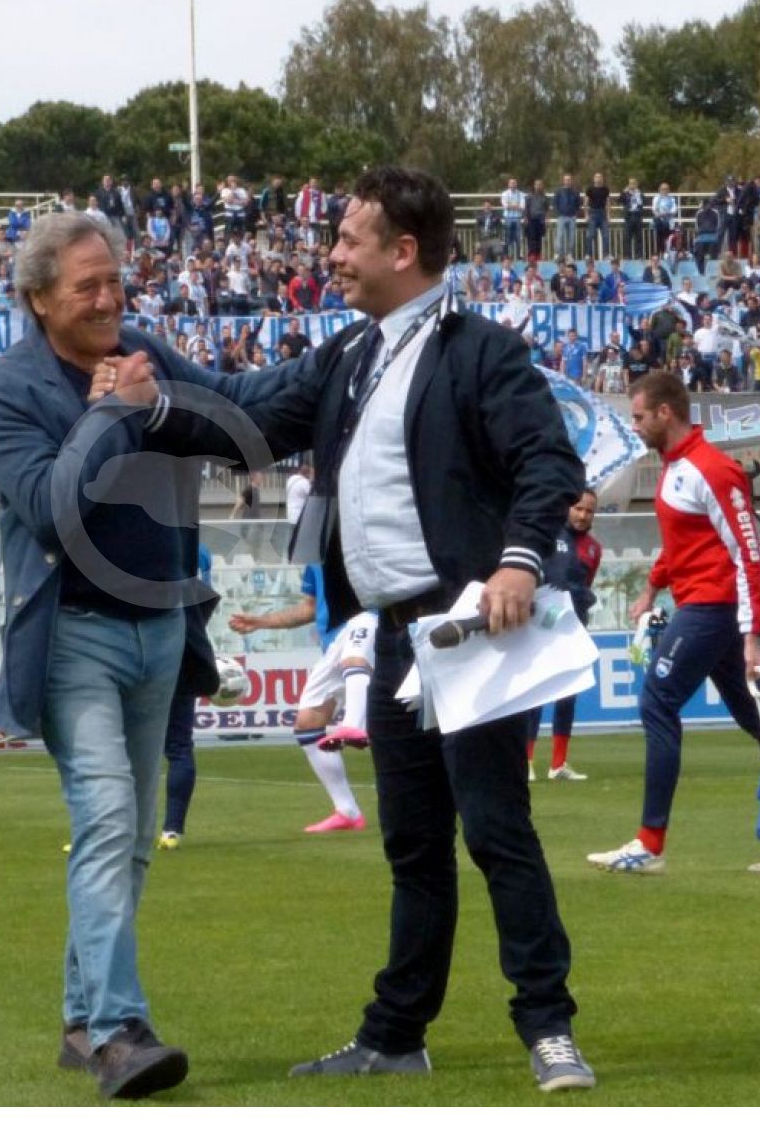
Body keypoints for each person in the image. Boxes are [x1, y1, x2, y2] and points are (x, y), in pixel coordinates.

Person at [165, 167, 593, 1090]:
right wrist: (149, 388)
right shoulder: (350, 355)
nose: (332, 255)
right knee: (413, 845)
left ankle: (549, 1026)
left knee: (497, 831)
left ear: (404, 251)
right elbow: (243, 413)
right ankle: (396, 1033)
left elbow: (548, 461)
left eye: (348, 239)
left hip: (470, 631)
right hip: (394, 641)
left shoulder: (482, 350)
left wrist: (520, 560)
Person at [0, 212, 229, 1100]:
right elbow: (53, 509)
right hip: (73, 632)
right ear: (38, 298)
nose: (109, 298)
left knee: (131, 837)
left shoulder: (145, 353)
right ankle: (120, 1031)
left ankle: (83, 1021)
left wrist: (337, 369)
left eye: (115, 280)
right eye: (87, 285)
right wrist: (115, 414)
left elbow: (232, 412)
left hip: (160, 628)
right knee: (111, 817)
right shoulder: (7, 390)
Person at [589, 371, 760, 875]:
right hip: (704, 605)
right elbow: (684, 543)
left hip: (713, 608)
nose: (635, 426)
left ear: (665, 413)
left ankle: (649, 843)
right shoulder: (678, 467)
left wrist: (751, 635)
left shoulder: (710, 469)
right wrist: (652, 586)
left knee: (657, 701)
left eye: (639, 417)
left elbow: (747, 554)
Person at [226, 565, 372, 834]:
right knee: (307, 723)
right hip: (334, 642)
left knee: (356, 659)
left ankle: (354, 725)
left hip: (371, 621)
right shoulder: (315, 556)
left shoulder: (362, 543)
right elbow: (310, 607)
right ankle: (347, 811)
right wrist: (262, 622)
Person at [527, 490, 600, 782]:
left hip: (574, 628)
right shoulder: (548, 536)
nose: (583, 515)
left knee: (568, 693)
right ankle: (526, 761)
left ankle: (558, 764)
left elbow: (585, 584)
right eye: (578, 508)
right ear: (568, 507)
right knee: (533, 693)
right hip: (542, 626)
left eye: (589, 511)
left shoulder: (593, 548)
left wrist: (583, 599)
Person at [157, 547, 217, 850]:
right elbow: (204, 599)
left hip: (145, 650)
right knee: (179, 746)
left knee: (119, 746)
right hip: (185, 650)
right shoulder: (198, 550)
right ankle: (172, 830)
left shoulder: (132, 539)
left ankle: (107, 831)